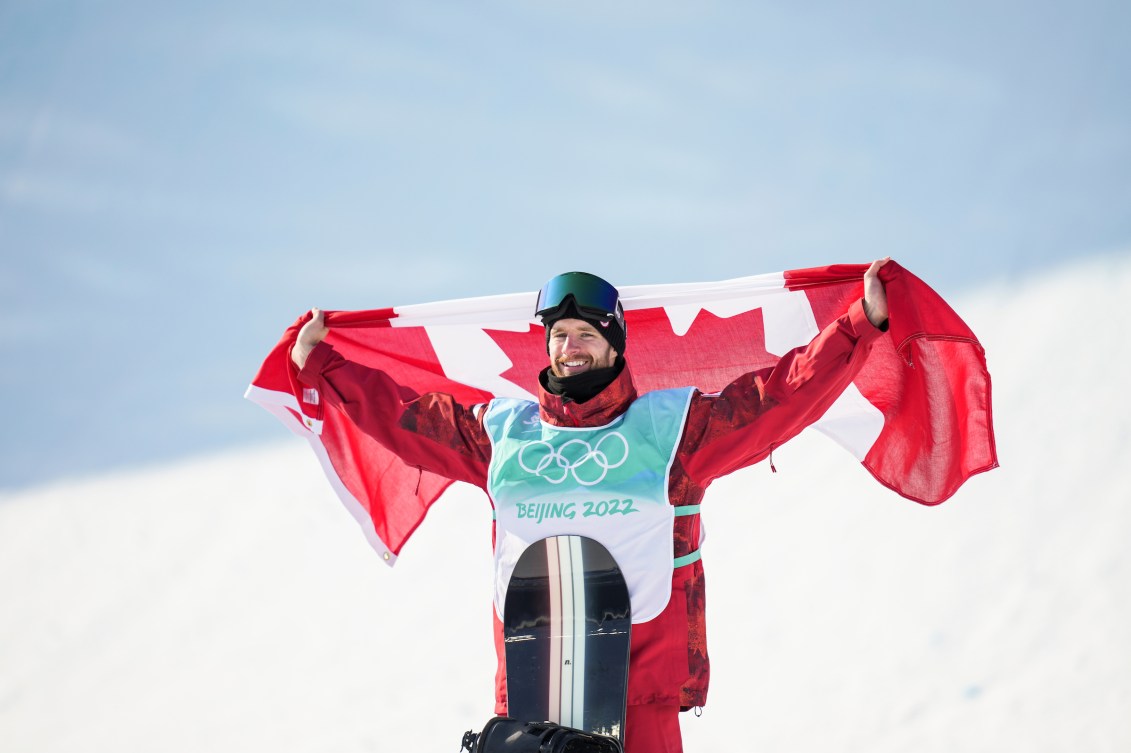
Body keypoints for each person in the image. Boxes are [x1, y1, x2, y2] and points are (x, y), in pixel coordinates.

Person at [290, 260, 892, 753]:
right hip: (532, 694)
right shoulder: (502, 434)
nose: (569, 348)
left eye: (586, 336)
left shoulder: (673, 431)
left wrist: (857, 325)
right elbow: (404, 417)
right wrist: (322, 365)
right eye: (558, 336)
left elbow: (775, 398)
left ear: (614, 347)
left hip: (641, 696)